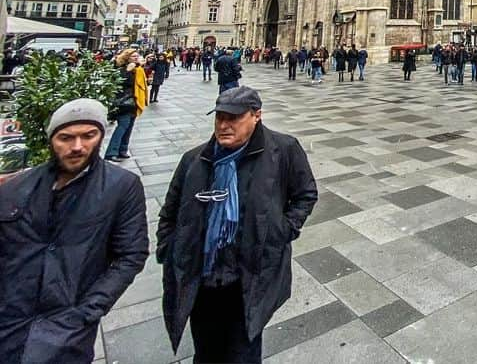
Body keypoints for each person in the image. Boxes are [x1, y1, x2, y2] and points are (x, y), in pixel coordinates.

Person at [158, 86, 318, 363]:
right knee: (205, 352)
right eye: (219, 117)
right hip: (202, 278)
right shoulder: (195, 160)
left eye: (233, 118)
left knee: (243, 352)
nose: (224, 125)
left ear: (256, 116)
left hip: (249, 275)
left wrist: (282, 230)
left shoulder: (283, 150)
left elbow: (305, 194)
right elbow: (170, 212)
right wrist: (170, 249)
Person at [0, 99, 148, 364]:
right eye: (66, 138)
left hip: (69, 328)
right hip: (10, 320)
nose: (77, 147)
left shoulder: (121, 186)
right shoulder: (17, 186)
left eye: (88, 136)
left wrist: (88, 311)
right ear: (52, 140)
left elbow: (131, 255)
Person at [105, 49, 149, 161]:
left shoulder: (137, 69)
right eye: (133, 56)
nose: (136, 58)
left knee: (129, 127)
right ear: (127, 58)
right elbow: (120, 82)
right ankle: (111, 152)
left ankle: (122, 150)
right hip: (123, 103)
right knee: (122, 126)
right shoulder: (121, 68)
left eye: (137, 56)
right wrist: (128, 71)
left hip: (134, 101)